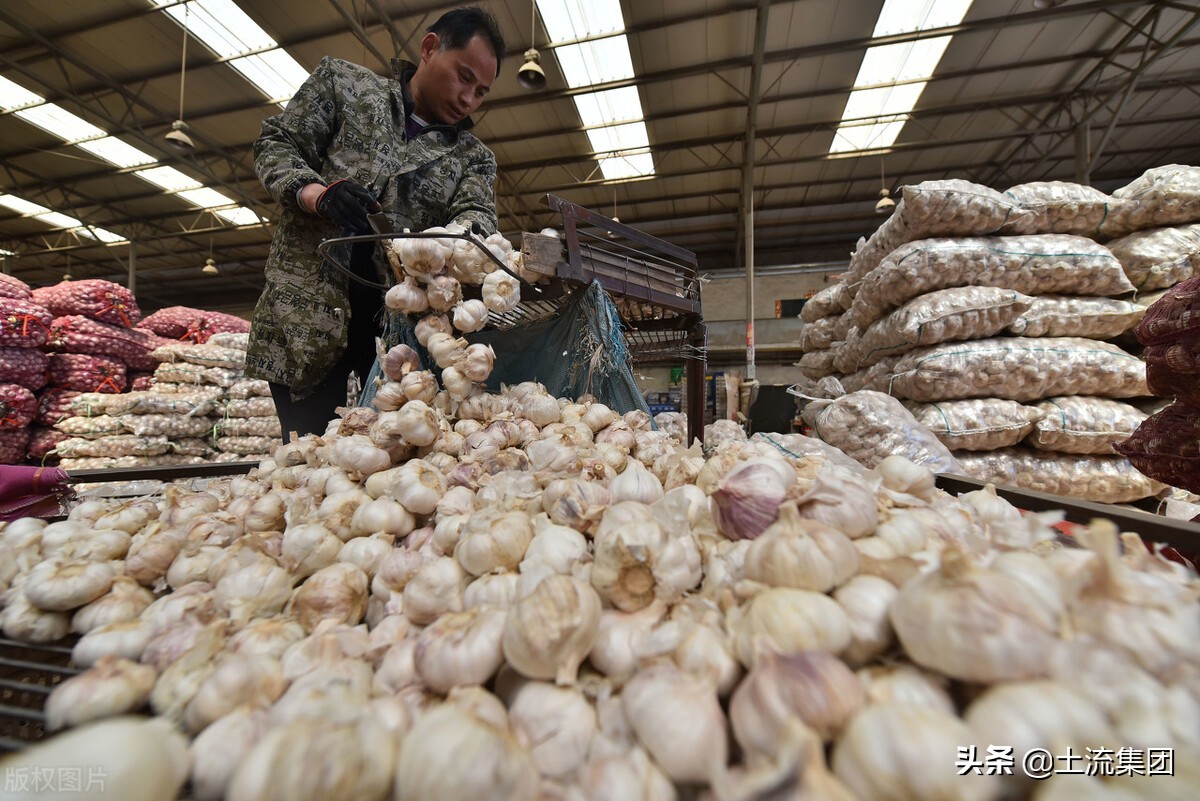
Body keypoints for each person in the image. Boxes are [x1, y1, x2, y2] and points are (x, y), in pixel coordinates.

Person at [246, 7, 505, 438]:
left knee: (392, 447)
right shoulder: (346, 86)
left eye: (481, 92)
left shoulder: (472, 158)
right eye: (463, 77)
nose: (468, 99)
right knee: (305, 449)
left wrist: (451, 243)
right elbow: (277, 144)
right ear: (428, 48)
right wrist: (319, 195)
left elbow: (476, 219)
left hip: (399, 331)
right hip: (306, 313)